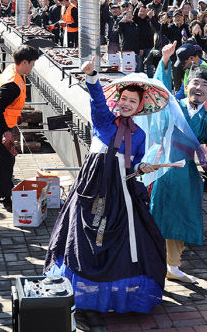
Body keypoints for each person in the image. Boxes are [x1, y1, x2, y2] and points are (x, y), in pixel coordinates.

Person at [45, 59, 167, 313]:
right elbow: (98, 102)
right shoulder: (104, 121)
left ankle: (117, 296)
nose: (127, 104)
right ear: (118, 99)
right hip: (94, 187)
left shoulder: (140, 135)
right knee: (85, 236)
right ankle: (80, 290)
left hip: (122, 192)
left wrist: (141, 168)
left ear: (140, 106)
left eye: (133, 101)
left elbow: (132, 166)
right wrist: (92, 77)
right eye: (124, 98)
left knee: (130, 239)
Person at [150, 64, 207, 283]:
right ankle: (153, 261)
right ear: (186, 86)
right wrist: (166, 63)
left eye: (205, 85)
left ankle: (173, 265)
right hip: (160, 167)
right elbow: (158, 95)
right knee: (156, 214)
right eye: (195, 83)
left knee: (182, 216)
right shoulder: (172, 106)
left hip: (186, 171)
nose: (199, 88)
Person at [0, 45, 40, 211]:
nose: (33, 66)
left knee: (3, 160)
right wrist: (5, 132)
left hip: (1, 123)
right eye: (32, 63)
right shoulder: (12, 84)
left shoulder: (15, 70)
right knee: (5, 162)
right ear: (24, 62)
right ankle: (5, 198)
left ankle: (2, 190)